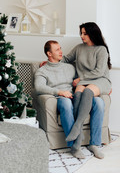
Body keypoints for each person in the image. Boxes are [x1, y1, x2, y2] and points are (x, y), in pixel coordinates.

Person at [34, 40, 105, 159]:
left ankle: (94, 144)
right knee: (66, 103)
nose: (61, 52)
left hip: (76, 95)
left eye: (60, 48)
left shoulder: (70, 67)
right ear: (49, 54)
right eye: (57, 50)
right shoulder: (42, 70)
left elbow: (84, 80)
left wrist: (102, 86)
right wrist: (59, 92)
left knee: (99, 102)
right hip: (60, 98)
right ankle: (75, 146)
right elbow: (39, 87)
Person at [63, 22, 112, 159]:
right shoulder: (79, 48)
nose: (82, 36)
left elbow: (99, 71)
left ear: (92, 33)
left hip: (100, 79)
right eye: (81, 33)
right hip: (84, 80)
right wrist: (51, 60)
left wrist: (80, 78)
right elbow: (66, 59)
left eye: (85, 33)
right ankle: (77, 142)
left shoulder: (101, 49)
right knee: (78, 93)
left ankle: (78, 128)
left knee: (87, 92)